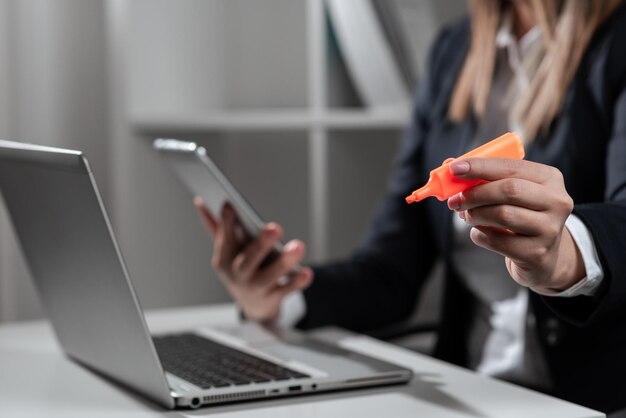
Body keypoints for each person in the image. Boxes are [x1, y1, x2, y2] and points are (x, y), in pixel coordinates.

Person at [194, 0, 626, 414]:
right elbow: (389, 270)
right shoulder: (453, 50)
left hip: (589, 400)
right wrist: (280, 296)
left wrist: (566, 254)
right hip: (472, 392)